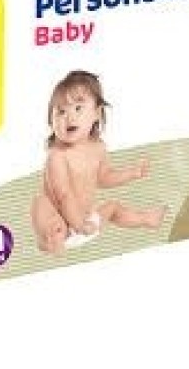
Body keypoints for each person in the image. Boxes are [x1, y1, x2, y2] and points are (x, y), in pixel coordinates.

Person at [31, 70, 167, 254]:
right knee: (40, 203)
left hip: (86, 224)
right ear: (51, 121)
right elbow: (63, 195)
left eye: (78, 108)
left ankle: (147, 219)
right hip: (65, 225)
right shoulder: (57, 156)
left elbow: (104, 178)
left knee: (113, 208)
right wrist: (77, 224)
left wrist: (132, 173)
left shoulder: (98, 148)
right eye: (61, 112)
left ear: (97, 112)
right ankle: (50, 240)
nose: (69, 117)